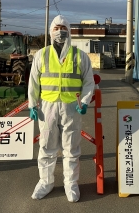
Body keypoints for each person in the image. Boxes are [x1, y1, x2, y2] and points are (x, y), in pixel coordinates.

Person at [28, 15, 95, 202]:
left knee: (71, 148)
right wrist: (32, 105)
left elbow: (89, 83)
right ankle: (45, 182)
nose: (60, 31)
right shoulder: (41, 55)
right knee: (46, 147)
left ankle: (70, 184)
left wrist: (84, 102)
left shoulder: (80, 56)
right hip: (47, 107)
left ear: (69, 31)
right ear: (50, 32)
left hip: (71, 108)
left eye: (63, 28)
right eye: (56, 28)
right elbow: (33, 82)